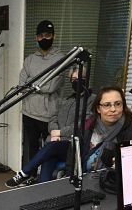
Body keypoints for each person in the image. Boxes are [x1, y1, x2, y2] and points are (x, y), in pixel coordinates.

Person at [6, 67, 93, 187]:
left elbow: (83, 124)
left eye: (80, 78)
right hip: (56, 142)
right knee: (46, 172)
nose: (76, 82)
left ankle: (24, 173)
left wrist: (60, 133)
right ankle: (42, 188)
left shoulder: (92, 100)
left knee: (51, 147)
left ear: (86, 79)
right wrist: (54, 132)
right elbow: (53, 117)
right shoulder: (65, 99)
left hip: (72, 145)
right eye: (73, 79)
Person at [19, 20, 63, 169]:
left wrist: (31, 82)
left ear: (54, 36)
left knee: (49, 149)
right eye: (41, 36)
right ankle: (29, 175)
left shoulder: (61, 59)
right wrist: (40, 83)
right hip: (29, 112)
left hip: (49, 115)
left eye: (48, 35)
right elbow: (22, 86)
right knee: (30, 148)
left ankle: (45, 177)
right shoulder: (30, 59)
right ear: (36, 38)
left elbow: (51, 86)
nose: (44, 38)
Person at [83, 86, 132, 170]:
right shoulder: (88, 125)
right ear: (98, 109)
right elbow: (75, 155)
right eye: (107, 105)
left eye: (118, 104)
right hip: (85, 175)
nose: (113, 109)